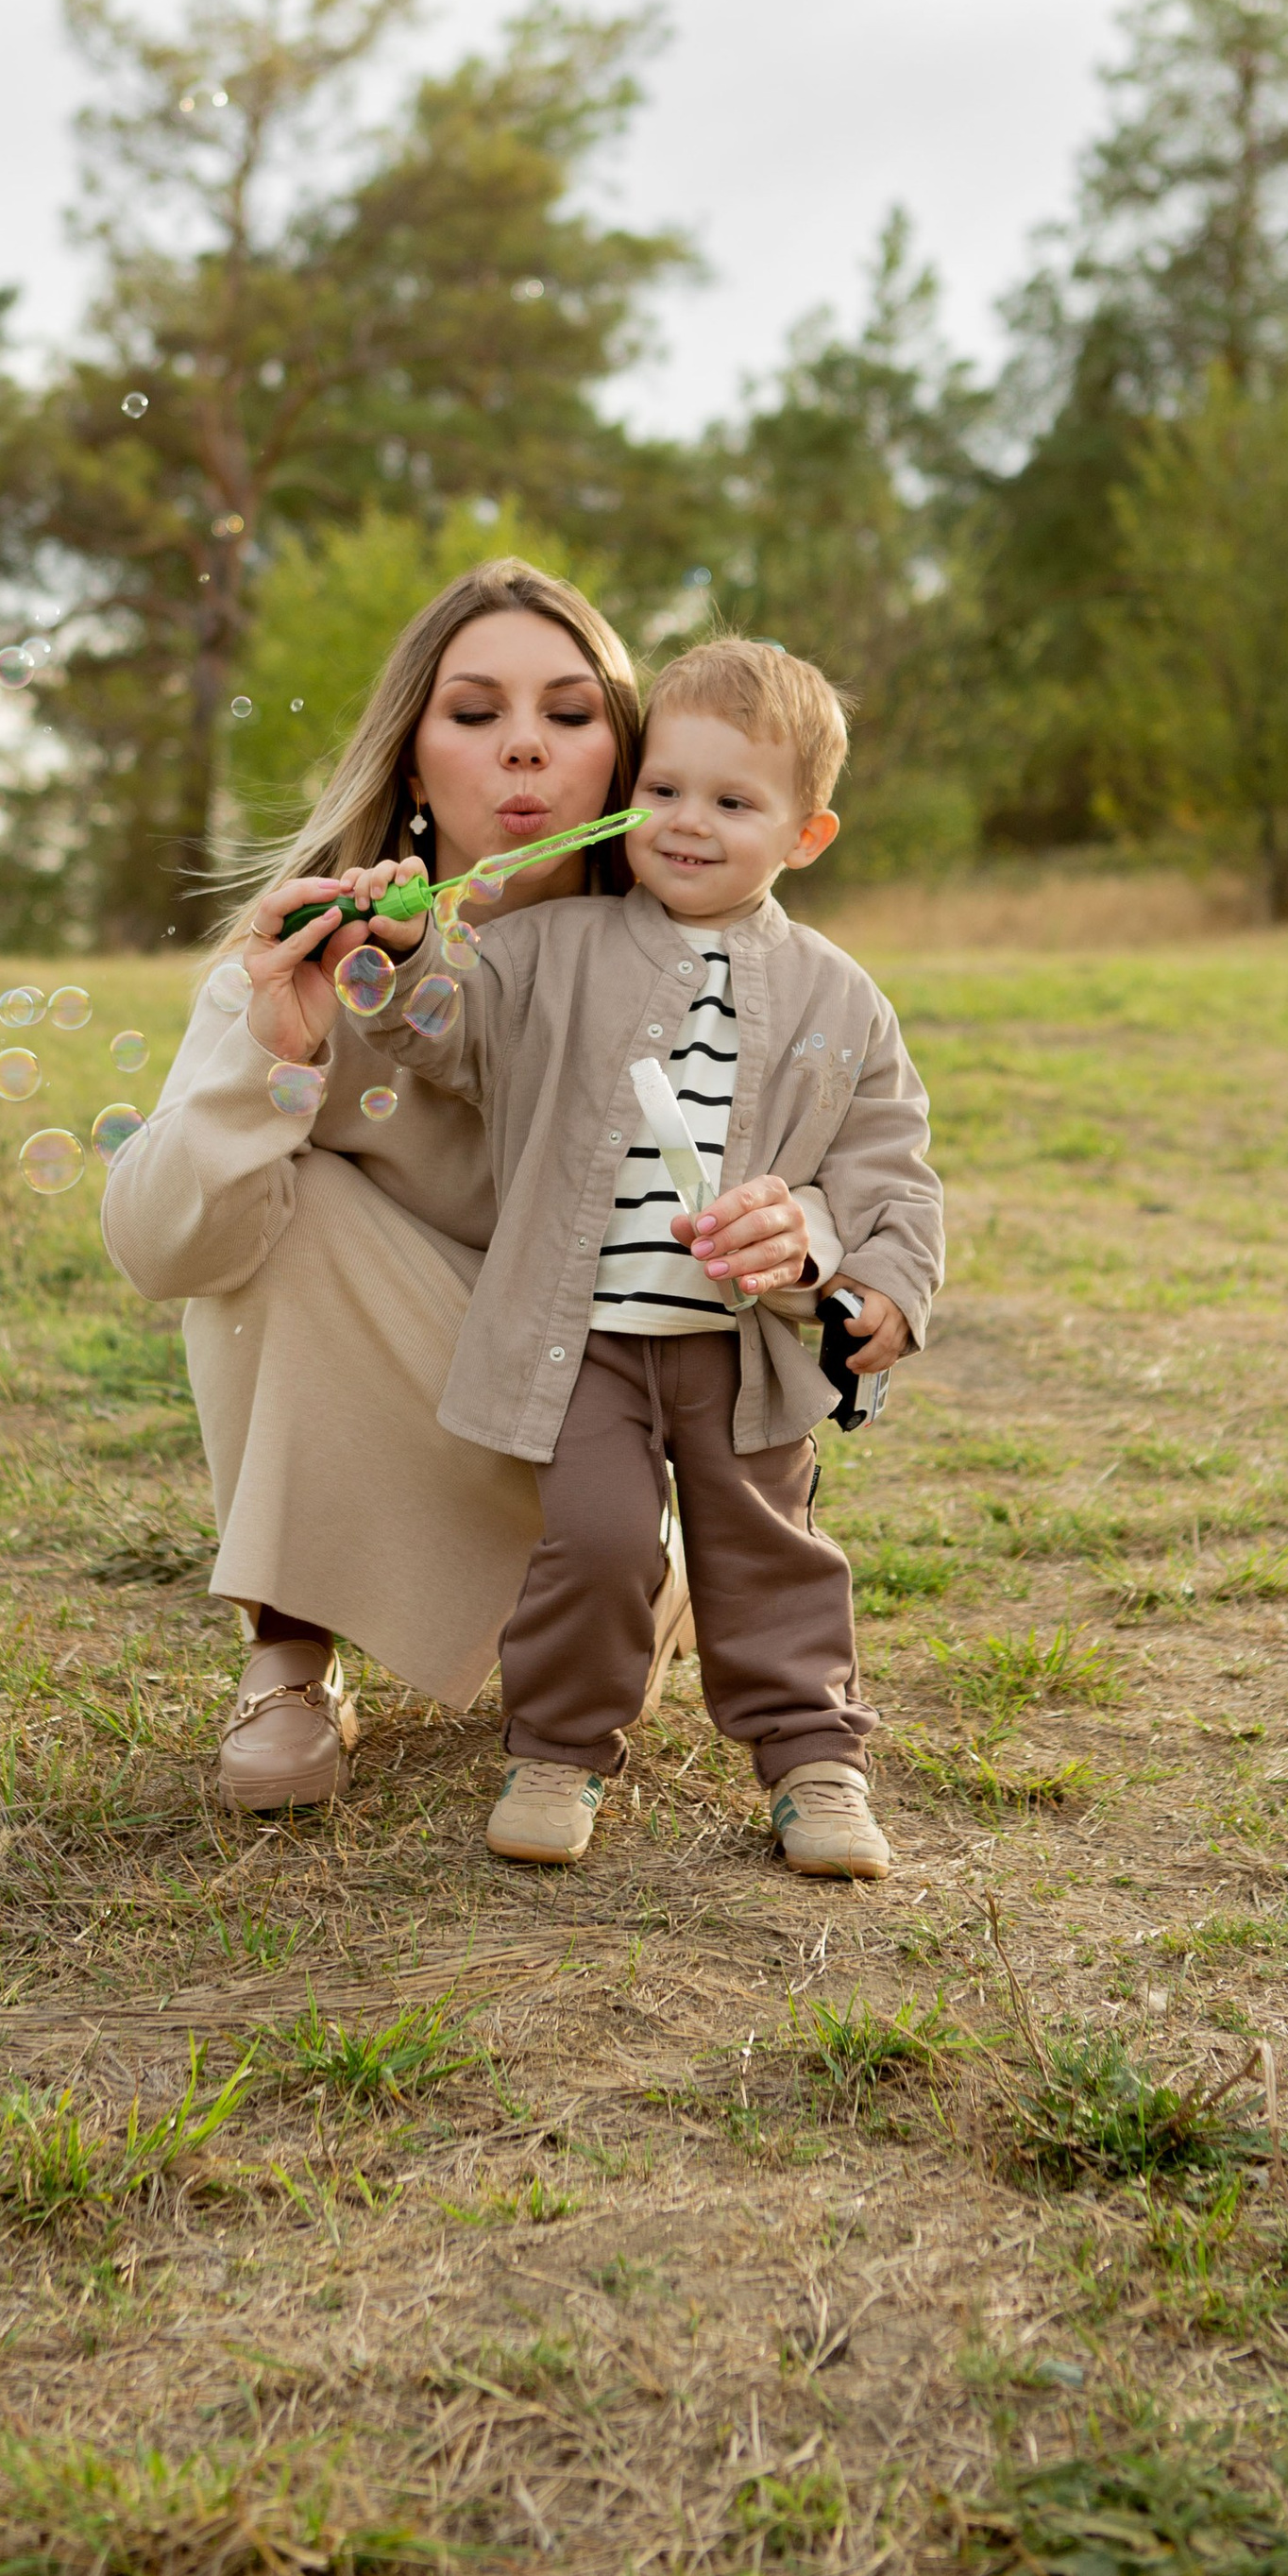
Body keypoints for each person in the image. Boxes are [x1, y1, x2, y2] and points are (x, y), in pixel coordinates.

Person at [100, 563, 842, 1811]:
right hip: (418, 1391)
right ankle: (289, 1656)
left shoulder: (708, 963)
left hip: (596, 1448)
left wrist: (798, 1227)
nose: (522, 753)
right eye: (474, 713)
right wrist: (266, 1054)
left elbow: (839, 1194)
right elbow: (166, 1253)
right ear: (410, 756)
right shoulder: (317, 954)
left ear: (624, 760)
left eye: (567, 715)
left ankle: (625, 1596)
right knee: (279, 1219)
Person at [342, 634, 945, 1881]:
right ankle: (559, 1747)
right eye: (663, 790)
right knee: (601, 1537)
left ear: (804, 835)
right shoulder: (547, 957)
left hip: (749, 1353)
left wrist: (876, 1280)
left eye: (733, 802)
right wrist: (405, 950)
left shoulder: (843, 1001)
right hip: (594, 1347)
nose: (686, 822)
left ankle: (814, 1759)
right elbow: (438, 1029)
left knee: (769, 1546)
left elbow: (889, 1168)